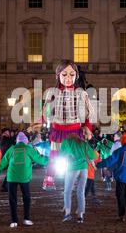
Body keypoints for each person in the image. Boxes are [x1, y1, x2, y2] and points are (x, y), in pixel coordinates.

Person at [33, 60, 95, 191]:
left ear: (76, 76)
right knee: (54, 155)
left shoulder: (81, 94)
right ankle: (49, 178)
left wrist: (88, 128)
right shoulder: (52, 93)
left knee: (76, 156)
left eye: (72, 75)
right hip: (58, 130)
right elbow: (46, 110)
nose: (68, 78)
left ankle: (76, 178)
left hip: (75, 130)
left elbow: (88, 114)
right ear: (58, 75)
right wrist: (40, 121)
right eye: (64, 74)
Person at [0, 132, 48, 228]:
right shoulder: (28, 149)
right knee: (26, 198)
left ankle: (14, 220)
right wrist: (49, 160)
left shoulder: (12, 149)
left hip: (11, 177)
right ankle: (26, 219)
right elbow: (39, 159)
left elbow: (3, 162)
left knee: (12, 199)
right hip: (24, 177)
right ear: (25, 141)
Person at [59, 131, 96, 223]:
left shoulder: (66, 142)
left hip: (72, 168)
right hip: (84, 168)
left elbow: (62, 154)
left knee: (67, 191)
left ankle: (67, 213)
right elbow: (93, 155)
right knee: (81, 192)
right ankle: (80, 215)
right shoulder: (83, 143)